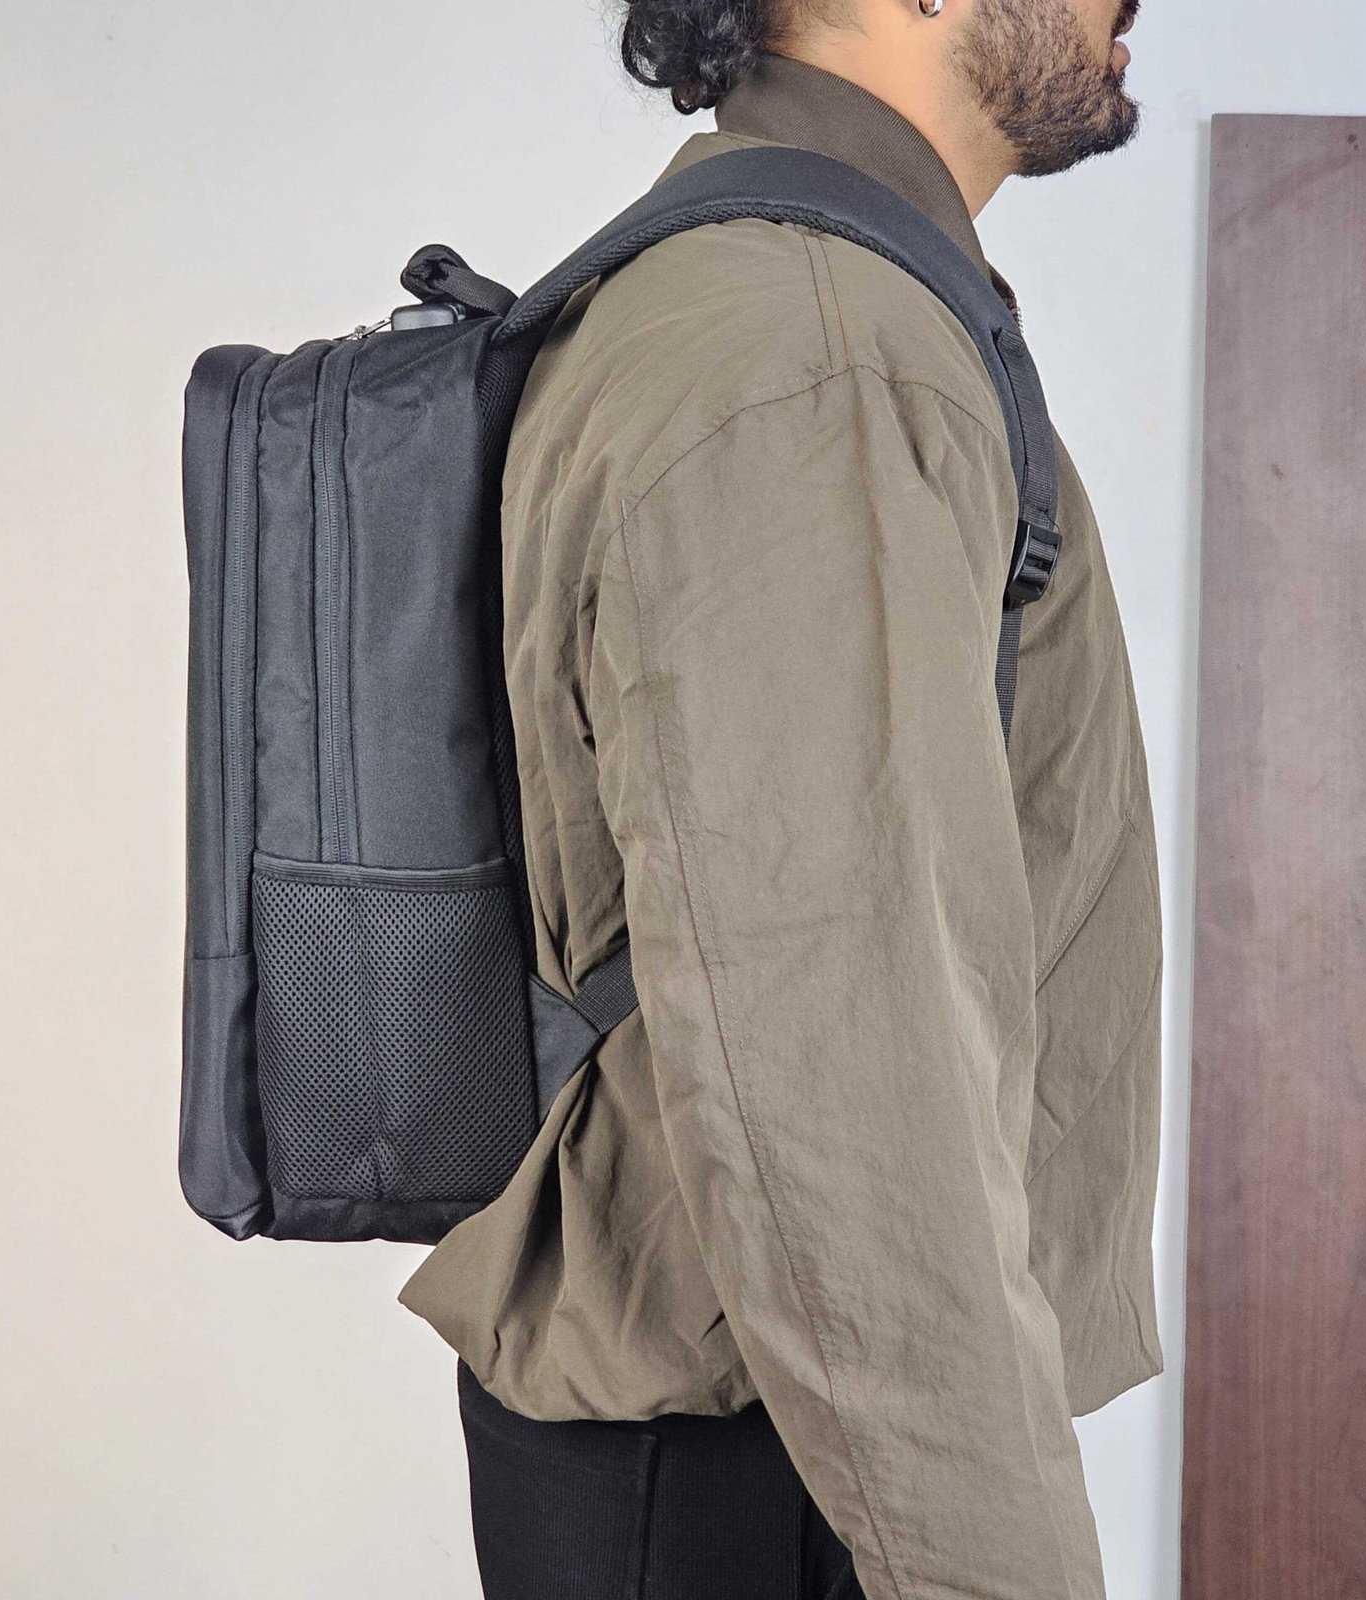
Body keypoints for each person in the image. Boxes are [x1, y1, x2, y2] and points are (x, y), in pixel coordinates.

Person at [398, 2, 1163, 1596]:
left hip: (769, 1415)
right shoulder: (818, 351)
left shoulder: (819, 299)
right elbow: (842, 1058)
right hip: (770, 1443)